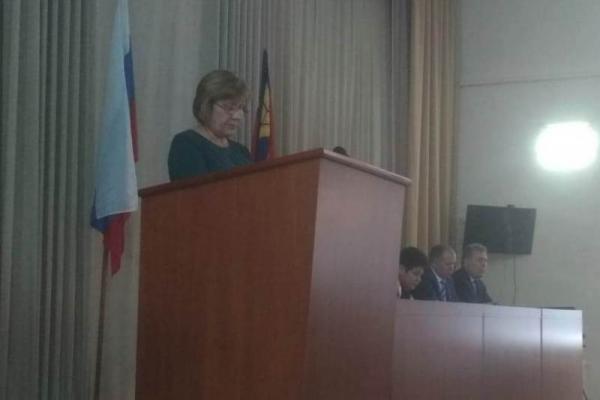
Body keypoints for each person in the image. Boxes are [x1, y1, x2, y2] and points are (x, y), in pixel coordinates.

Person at [168, 70, 252, 181]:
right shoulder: (186, 144)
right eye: (229, 108)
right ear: (205, 106)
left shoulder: (241, 151)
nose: (237, 116)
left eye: (241, 108)